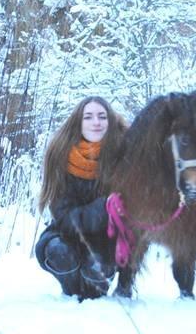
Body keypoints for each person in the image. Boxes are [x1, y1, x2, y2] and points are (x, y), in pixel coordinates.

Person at [34, 97, 128, 300]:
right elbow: (63, 215)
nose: (96, 122)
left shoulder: (124, 157)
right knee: (59, 253)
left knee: (96, 272)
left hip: (108, 240)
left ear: (110, 122)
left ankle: (94, 290)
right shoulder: (60, 155)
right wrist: (104, 207)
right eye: (89, 117)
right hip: (68, 234)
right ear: (79, 122)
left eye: (102, 117)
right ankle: (71, 292)